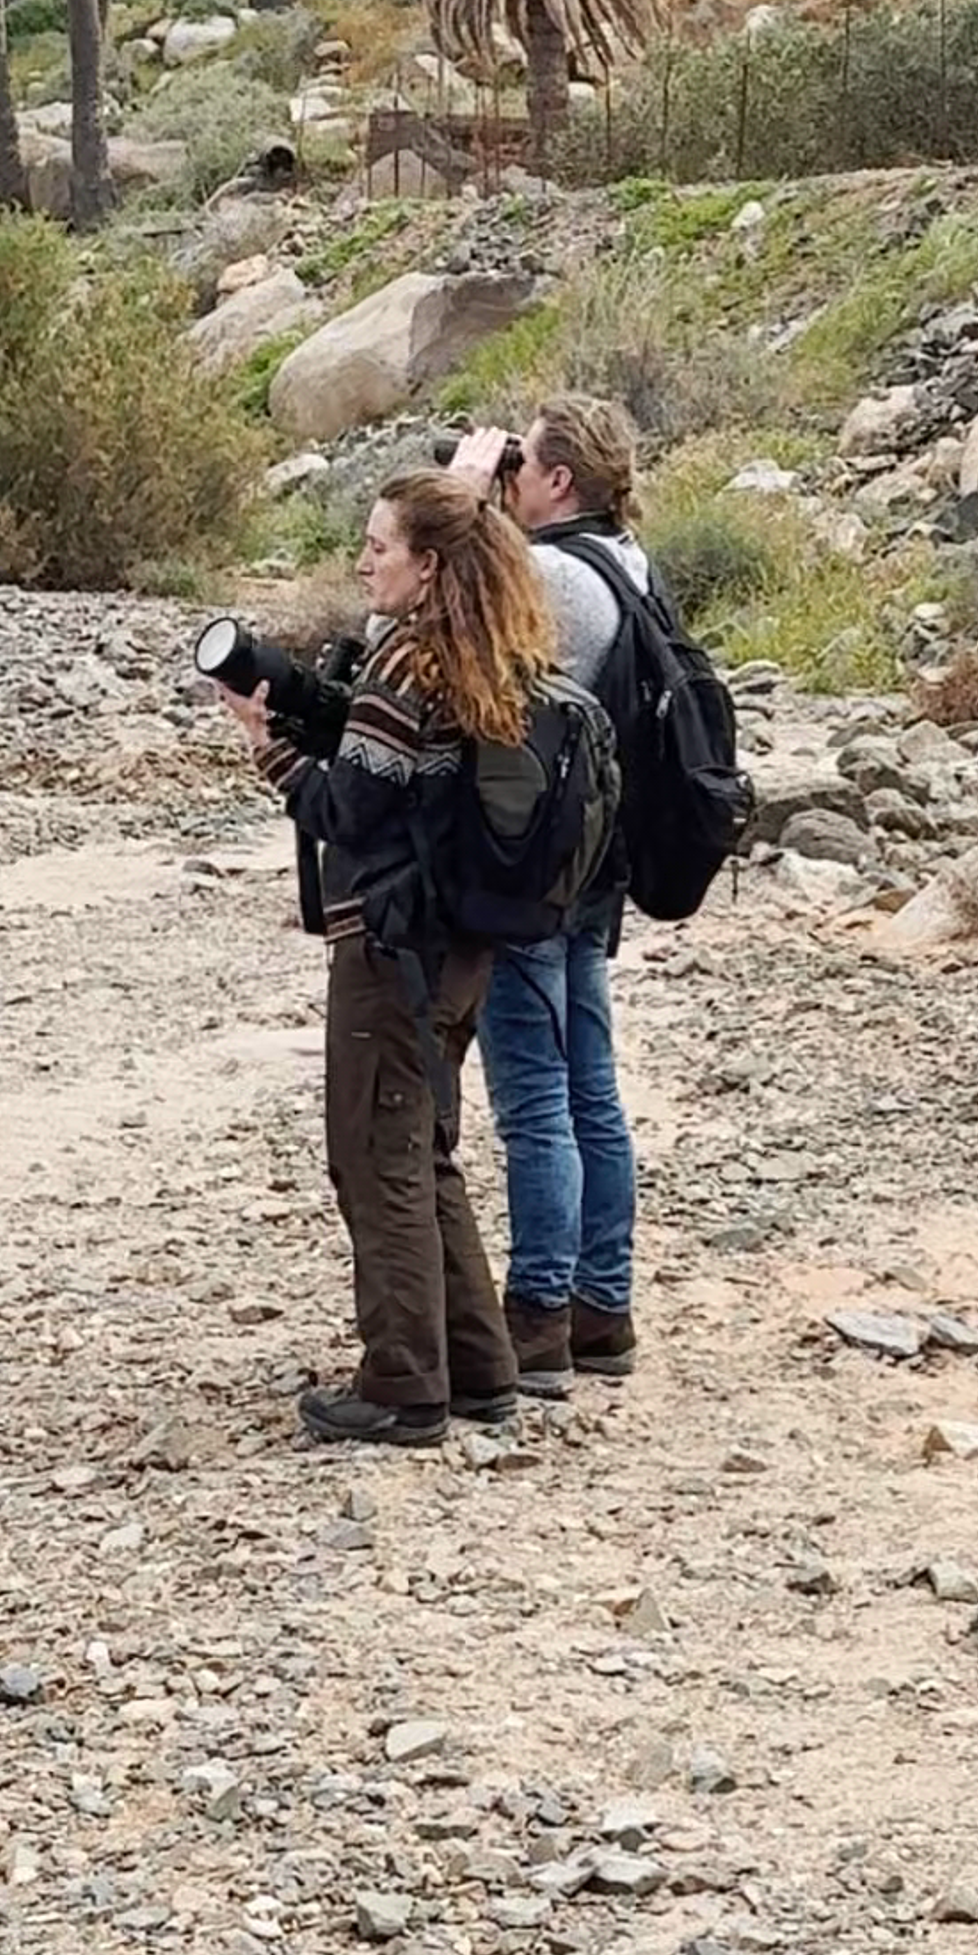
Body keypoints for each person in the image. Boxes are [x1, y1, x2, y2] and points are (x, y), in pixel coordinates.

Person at [262, 473, 555, 1454]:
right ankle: (477, 1365)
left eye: (378, 546)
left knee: (375, 1151)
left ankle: (403, 1385)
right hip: (461, 944)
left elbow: (350, 808)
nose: (363, 562)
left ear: (427, 565)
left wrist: (269, 748)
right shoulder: (486, 656)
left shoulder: (408, 663)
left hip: (394, 947)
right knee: (422, 1146)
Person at [447, 391, 648, 1393]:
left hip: (536, 869)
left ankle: (539, 1312)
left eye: (519, 462)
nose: (509, 474)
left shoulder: (556, 575)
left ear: (558, 479)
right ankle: (602, 1304)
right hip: (597, 861)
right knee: (590, 1088)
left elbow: (442, 639)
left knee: (535, 1099)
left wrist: (458, 500)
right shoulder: (630, 560)